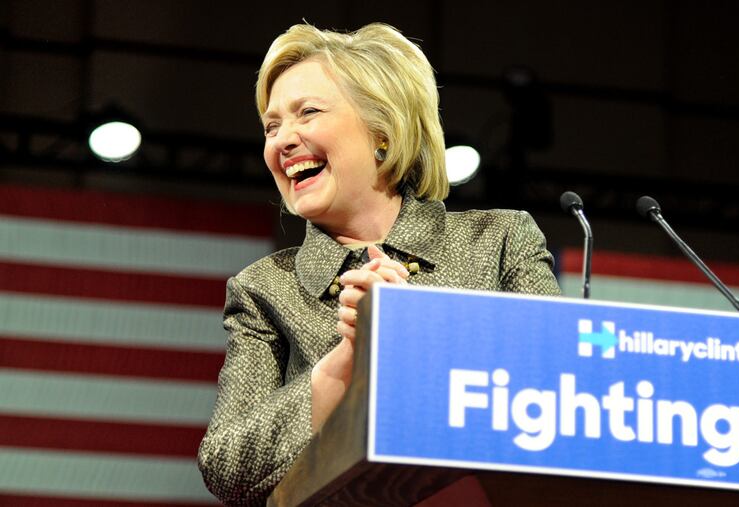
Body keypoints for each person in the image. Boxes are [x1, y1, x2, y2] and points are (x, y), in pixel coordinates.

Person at [198, 22, 561, 505]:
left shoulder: (499, 240)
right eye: (271, 125)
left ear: (382, 131)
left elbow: (559, 389)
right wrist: (341, 367)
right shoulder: (264, 290)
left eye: (307, 113)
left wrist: (415, 332)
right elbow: (227, 468)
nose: (283, 140)